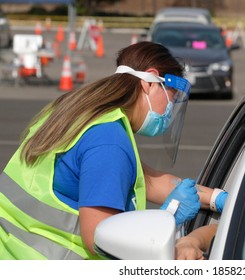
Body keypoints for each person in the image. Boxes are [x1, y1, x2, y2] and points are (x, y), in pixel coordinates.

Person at [0, 41, 227, 260]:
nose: (169, 111)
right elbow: (101, 237)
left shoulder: (81, 112)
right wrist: (166, 220)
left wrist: (219, 199)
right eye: (172, 97)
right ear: (149, 82)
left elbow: (149, 181)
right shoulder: (109, 141)